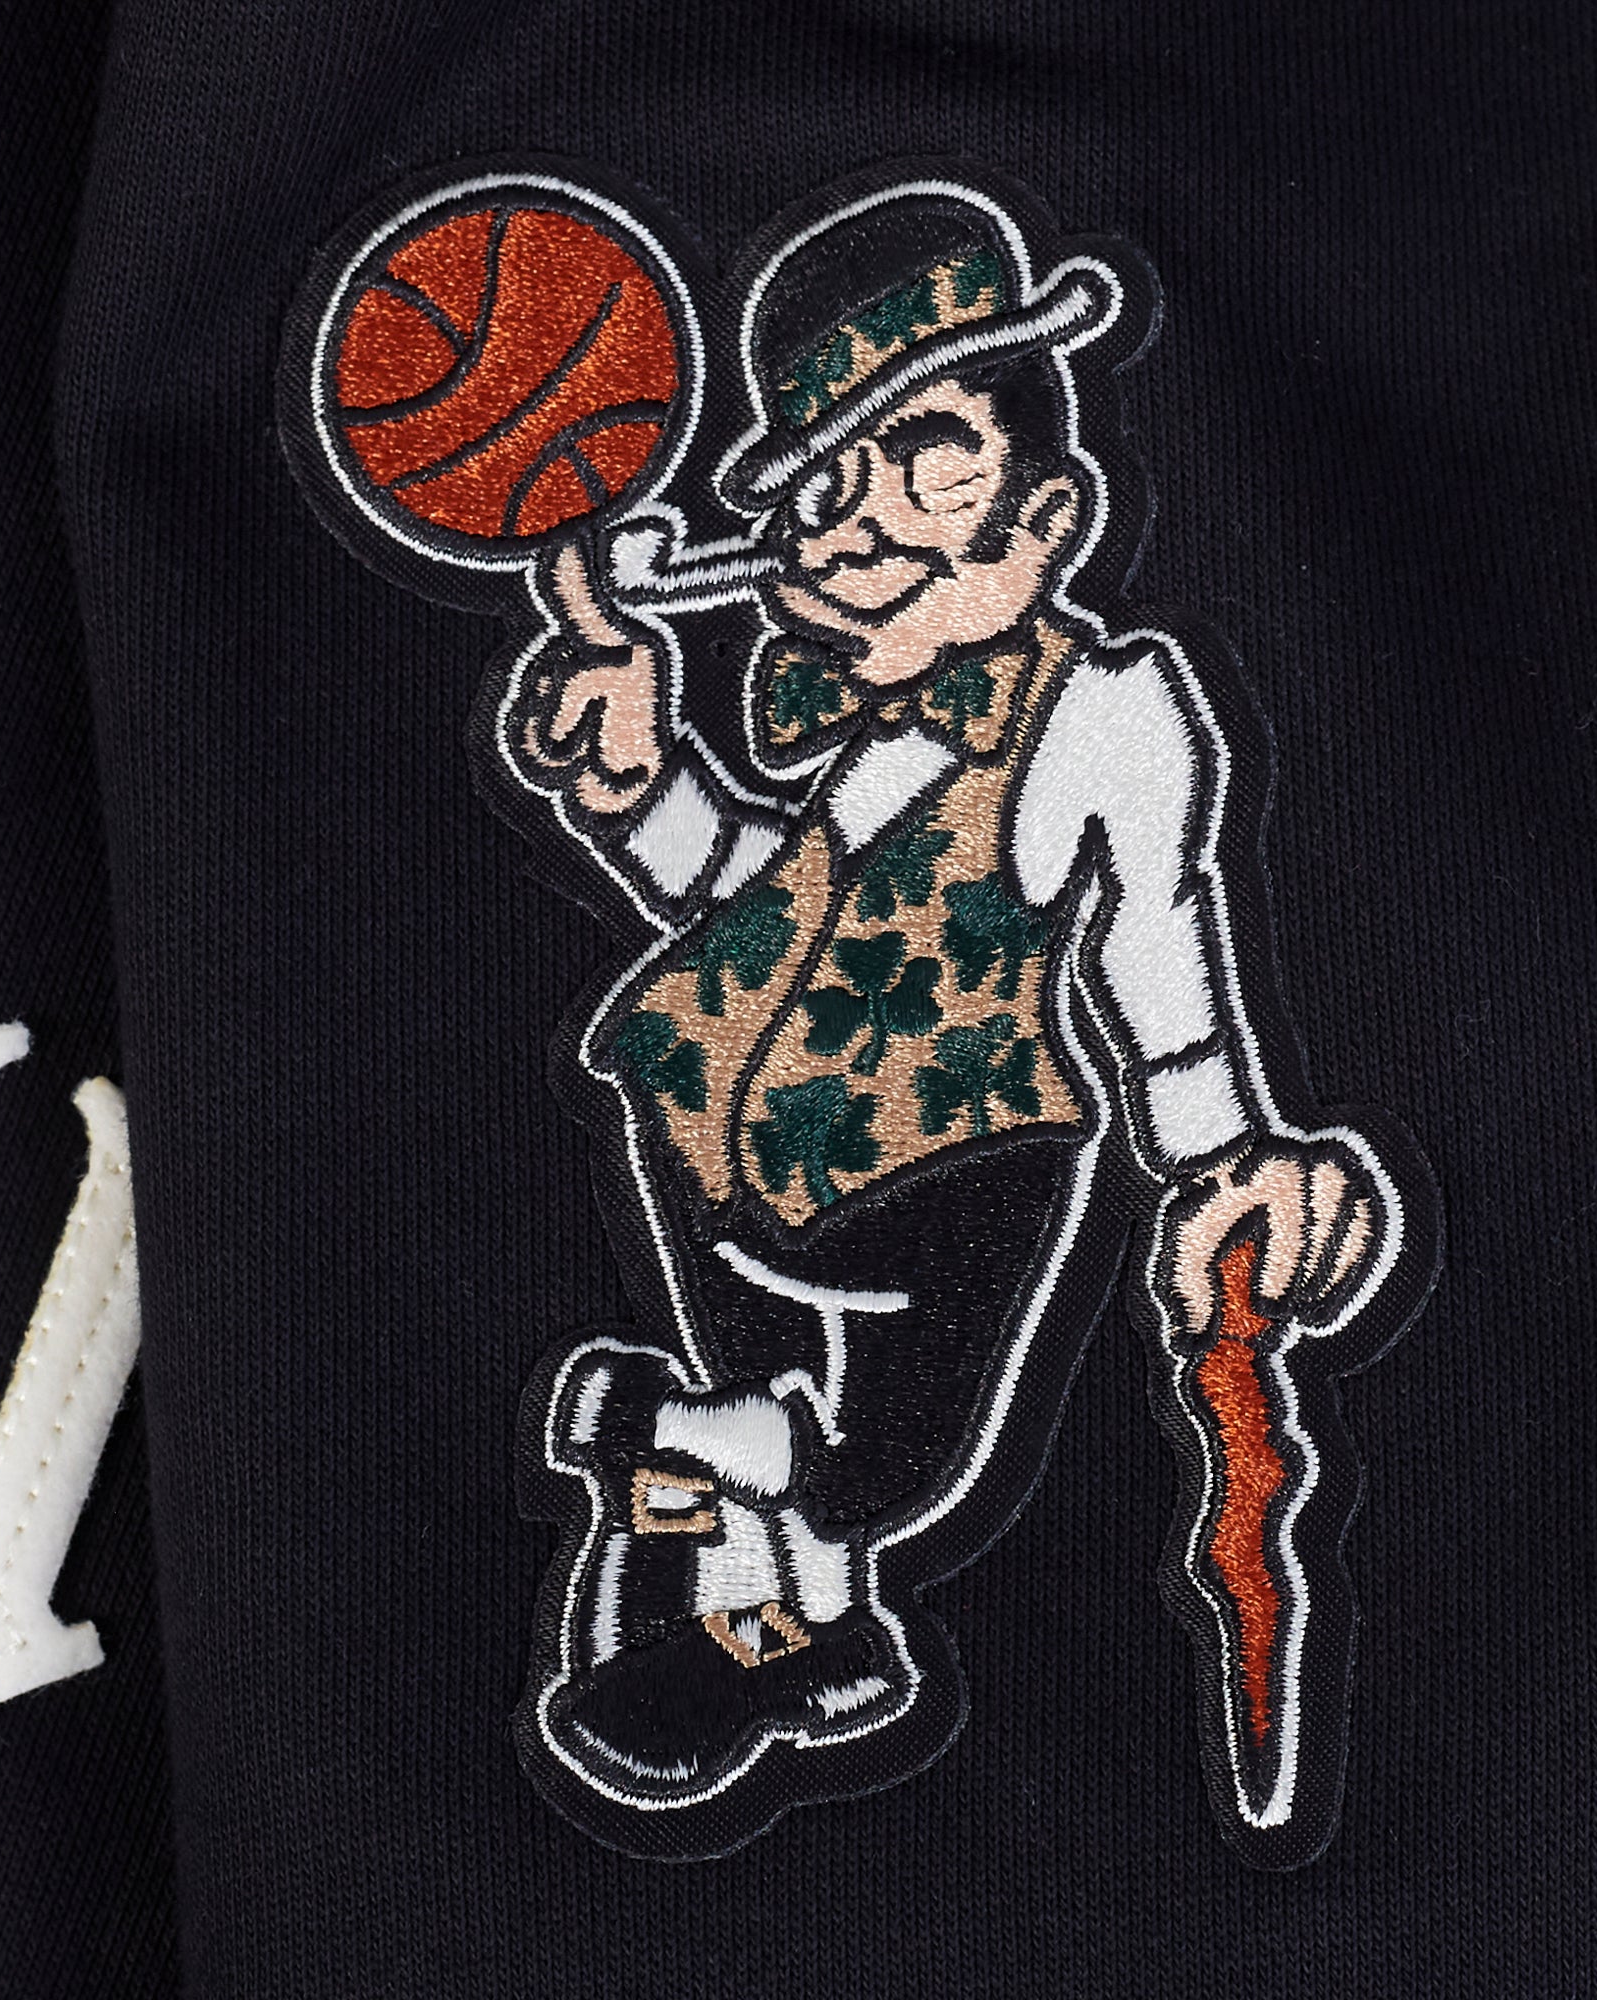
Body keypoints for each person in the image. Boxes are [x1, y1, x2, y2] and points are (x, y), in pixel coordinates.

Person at [487, 178, 1407, 1854]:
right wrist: (639, 785)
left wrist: (1225, 1158)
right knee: (803, 1435)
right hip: (712, 1119)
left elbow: (1156, 948)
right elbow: (757, 892)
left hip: (948, 1154)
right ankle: (789, 1619)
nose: (867, 521)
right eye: (831, 481)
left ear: (1047, 517)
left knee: (901, 1471)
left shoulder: (1108, 713)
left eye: (928, 459)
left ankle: (663, 1441)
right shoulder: (873, 734)